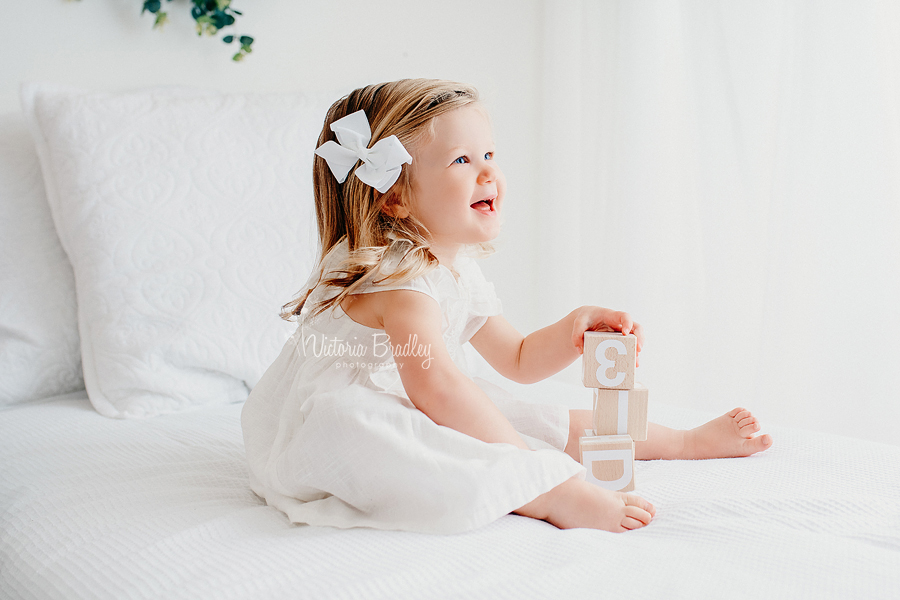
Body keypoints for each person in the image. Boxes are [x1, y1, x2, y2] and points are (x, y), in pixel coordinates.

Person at [241, 79, 773, 535]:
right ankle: (545, 494)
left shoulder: (454, 270)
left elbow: (516, 358)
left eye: (489, 155)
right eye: (462, 160)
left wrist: (571, 329)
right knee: (406, 443)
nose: (487, 172)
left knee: (535, 418)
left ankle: (683, 441)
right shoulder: (398, 287)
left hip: (421, 393)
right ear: (396, 197)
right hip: (351, 412)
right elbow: (439, 389)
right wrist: (535, 465)